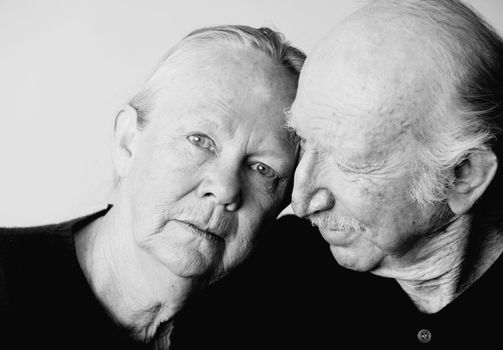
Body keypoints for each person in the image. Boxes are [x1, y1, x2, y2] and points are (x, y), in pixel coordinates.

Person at [170, 1, 503, 349]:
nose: (300, 201)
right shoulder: (274, 271)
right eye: (305, 143)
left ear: (464, 175)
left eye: (348, 161)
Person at [0, 25, 305, 349]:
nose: (226, 188)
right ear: (128, 142)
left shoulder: (291, 303)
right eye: (200, 140)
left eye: (263, 169)